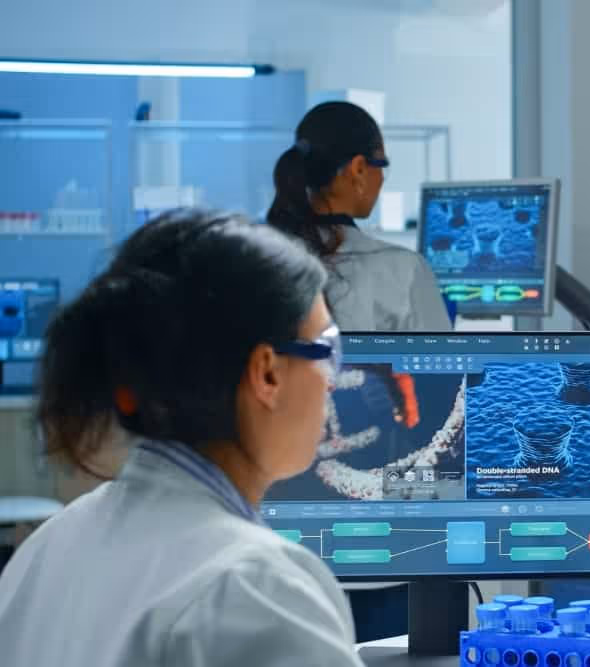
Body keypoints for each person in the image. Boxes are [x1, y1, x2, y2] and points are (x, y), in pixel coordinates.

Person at [0, 210, 365, 666]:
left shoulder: (50, 546)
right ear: (267, 373)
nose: (332, 380)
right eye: (326, 349)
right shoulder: (258, 589)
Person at [268, 101, 451, 331]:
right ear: (359, 169)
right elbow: (441, 364)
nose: (382, 178)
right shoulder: (403, 270)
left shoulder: (261, 262)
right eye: (382, 165)